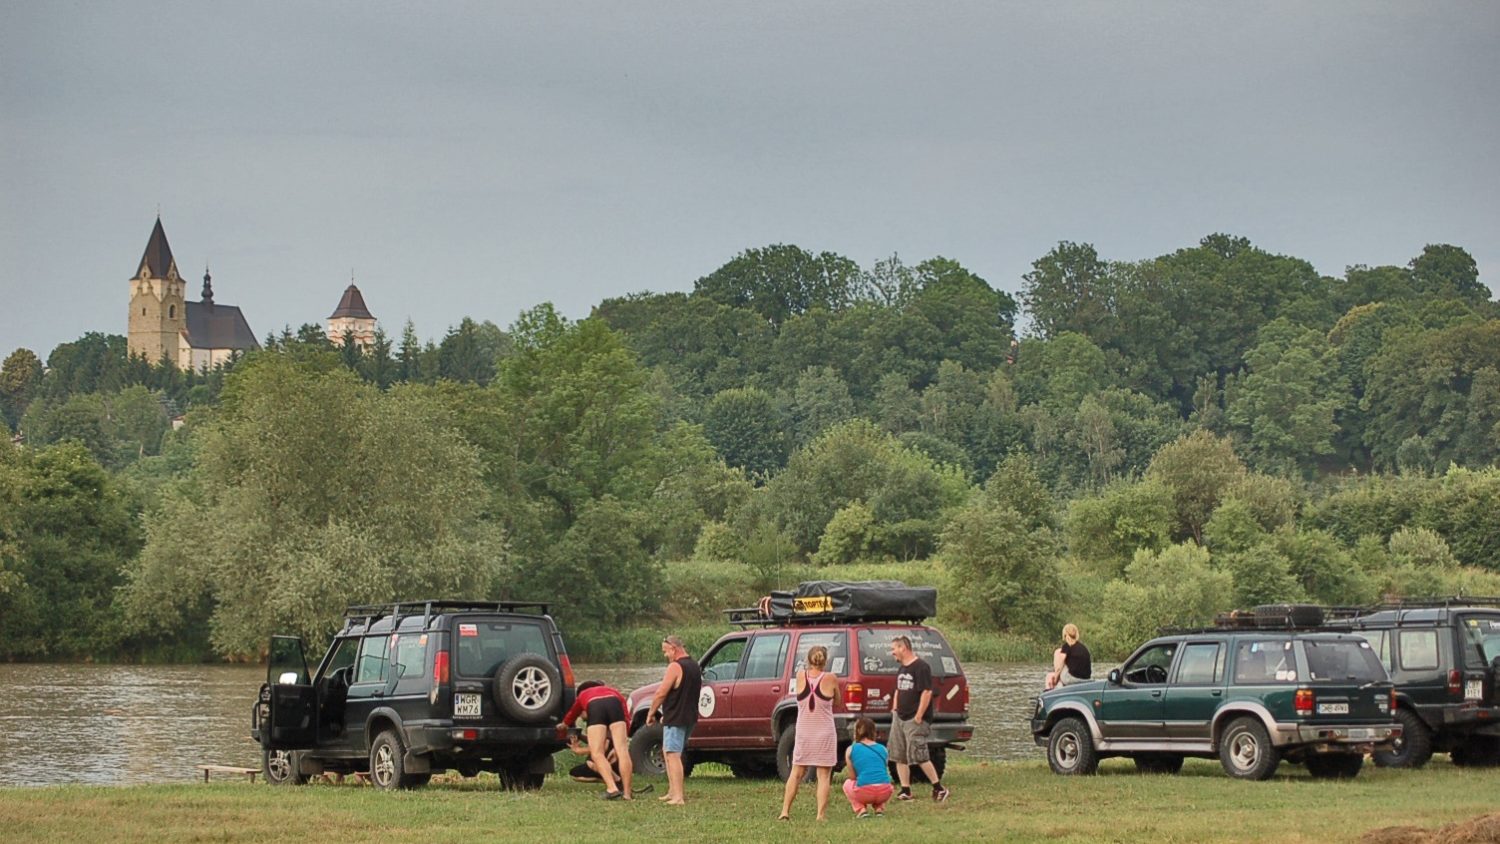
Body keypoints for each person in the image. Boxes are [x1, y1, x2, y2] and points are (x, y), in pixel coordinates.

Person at [778, 645, 839, 821]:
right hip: (824, 733)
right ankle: (820, 814)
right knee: (824, 775)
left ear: (808, 660)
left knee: (796, 772)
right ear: (825, 661)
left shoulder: (800, 676)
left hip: (804, 731)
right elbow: (838, 700)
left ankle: (785, 811)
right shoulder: (831, 678)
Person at [888, 635, 949, 802]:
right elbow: (898, 689)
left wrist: (919, 716)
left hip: (914, 719)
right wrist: (894, 708)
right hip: (899, 717)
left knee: (919, 755)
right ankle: (905, 790)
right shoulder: (902, 668)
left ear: (903, 648)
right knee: (898, 755)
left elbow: (927, 691)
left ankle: (939, 788)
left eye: (894, 648)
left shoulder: (921, 667)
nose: (892, 652)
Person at [558, 680, 638, 799]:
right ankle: (627, 793)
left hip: (596, 707)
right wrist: (623, 738)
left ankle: (612, 788)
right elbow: (626, 717)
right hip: (614, 704)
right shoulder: (614, 691)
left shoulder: (582, 695)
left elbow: (572, 713)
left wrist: (563, 725)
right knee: (622, 751)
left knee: (597, 753)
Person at [645, 634, 701, 806]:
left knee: (672, 754)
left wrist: (651, 712)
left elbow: (661, 692)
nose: (665, 655)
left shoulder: (675, 667)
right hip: (689, 716)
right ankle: (671, 791)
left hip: (676, 718)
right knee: (668, 751)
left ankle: (678, 796)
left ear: (674, 649)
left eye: (666, 651)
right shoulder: (694, 665)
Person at [842, 717, 893, 819]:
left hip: (864, 792)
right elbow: (883, 769)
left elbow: (852, 776)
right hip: (885, 791)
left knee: (847, 784)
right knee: (880, 780)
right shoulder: (883, 749)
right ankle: (879, 809)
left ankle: (861, 809)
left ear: (856, 731)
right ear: (874, 731)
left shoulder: (851, 750)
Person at [1044, 623, 1092, 690]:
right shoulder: (1083, 648)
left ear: (1065, 634)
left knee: (1050, 675)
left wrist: (1055, 678)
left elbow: (1059, 667)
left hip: (1072, 679)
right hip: (1086, 679)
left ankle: (1049, 693)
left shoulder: (1067, 646)